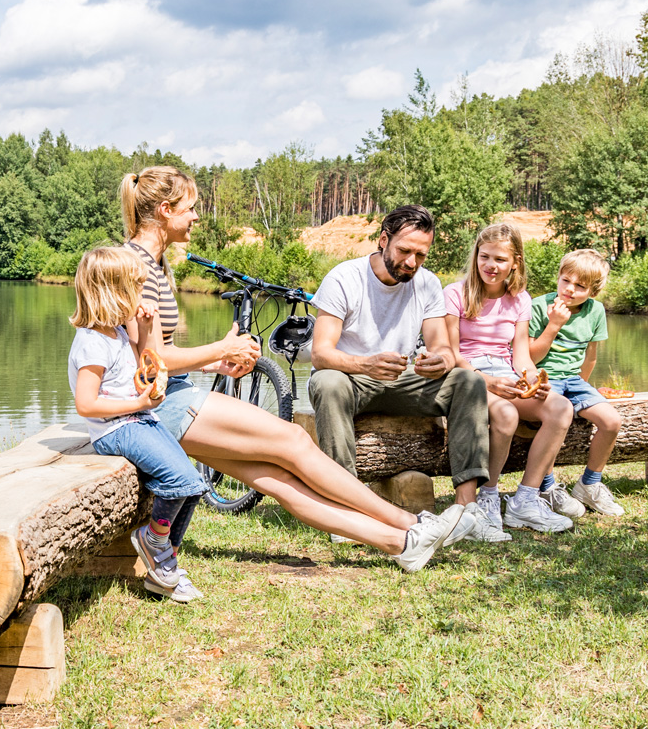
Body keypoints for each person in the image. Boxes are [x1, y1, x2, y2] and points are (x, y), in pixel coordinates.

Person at [120, 166, 478, 570]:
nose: (197, 217)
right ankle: (412, 523)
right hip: (155, 409)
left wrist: (217, 361)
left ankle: (400, 543)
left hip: (163, 398)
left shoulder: (154, 264)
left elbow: (150, 355)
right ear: (165, 210)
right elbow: (152, 362)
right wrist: (221, 347)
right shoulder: (134, 266)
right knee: (292, 440)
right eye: (191, 208)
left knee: (277, 480)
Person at [307, 205, 500, 540]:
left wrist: (439, 361)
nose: (412, 263)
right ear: (383, 240)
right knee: (326, 381)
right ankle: (345, 507)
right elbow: (321, 353)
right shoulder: (344, 277)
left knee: (467, 381)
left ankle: (466, 512)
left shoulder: (427, 284)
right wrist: (366, 364)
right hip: (352, 379)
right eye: (405, 251)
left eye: (420, 255)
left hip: (403, 380)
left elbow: (441, 346)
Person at [67, 245, 207, 603]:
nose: (140, 296)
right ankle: (154, 543)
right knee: (181, 480)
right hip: (116, 429)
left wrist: (144, 329)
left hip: (139, 420)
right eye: (134, 289)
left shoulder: (116, 334)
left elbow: (147, 365)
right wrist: (140, 403)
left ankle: (163, 566)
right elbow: (86, 404)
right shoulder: (92, 343)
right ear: (112, 293)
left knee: (193, 484)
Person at [443, 222, 575, 536]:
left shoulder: (520, 299)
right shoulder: (454, 293)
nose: (491, 265)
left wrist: (533, 380)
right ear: (476, 256)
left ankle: (525, 501)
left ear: (515, 262)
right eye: (484, 256)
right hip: (466, 373)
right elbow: (449, 351)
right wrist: (484, 380)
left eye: (500, 259)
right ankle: (488, 498)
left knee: (561, 409)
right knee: (507, 412)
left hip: (505, 371)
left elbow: (521, 356)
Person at [526, 248, 626, 517]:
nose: (569, 290)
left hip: (574, 380)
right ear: (558, 277)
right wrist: (554, 324)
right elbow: (530, 356)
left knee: (611, 421)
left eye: (580, 286)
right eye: (565, 281)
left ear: (593, 291)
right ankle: (547, 488)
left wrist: (583, 390)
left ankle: (589, 484)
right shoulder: (537, 306)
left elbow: (590, 356)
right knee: (557, 416)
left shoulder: (595, 312)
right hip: (544, 378)